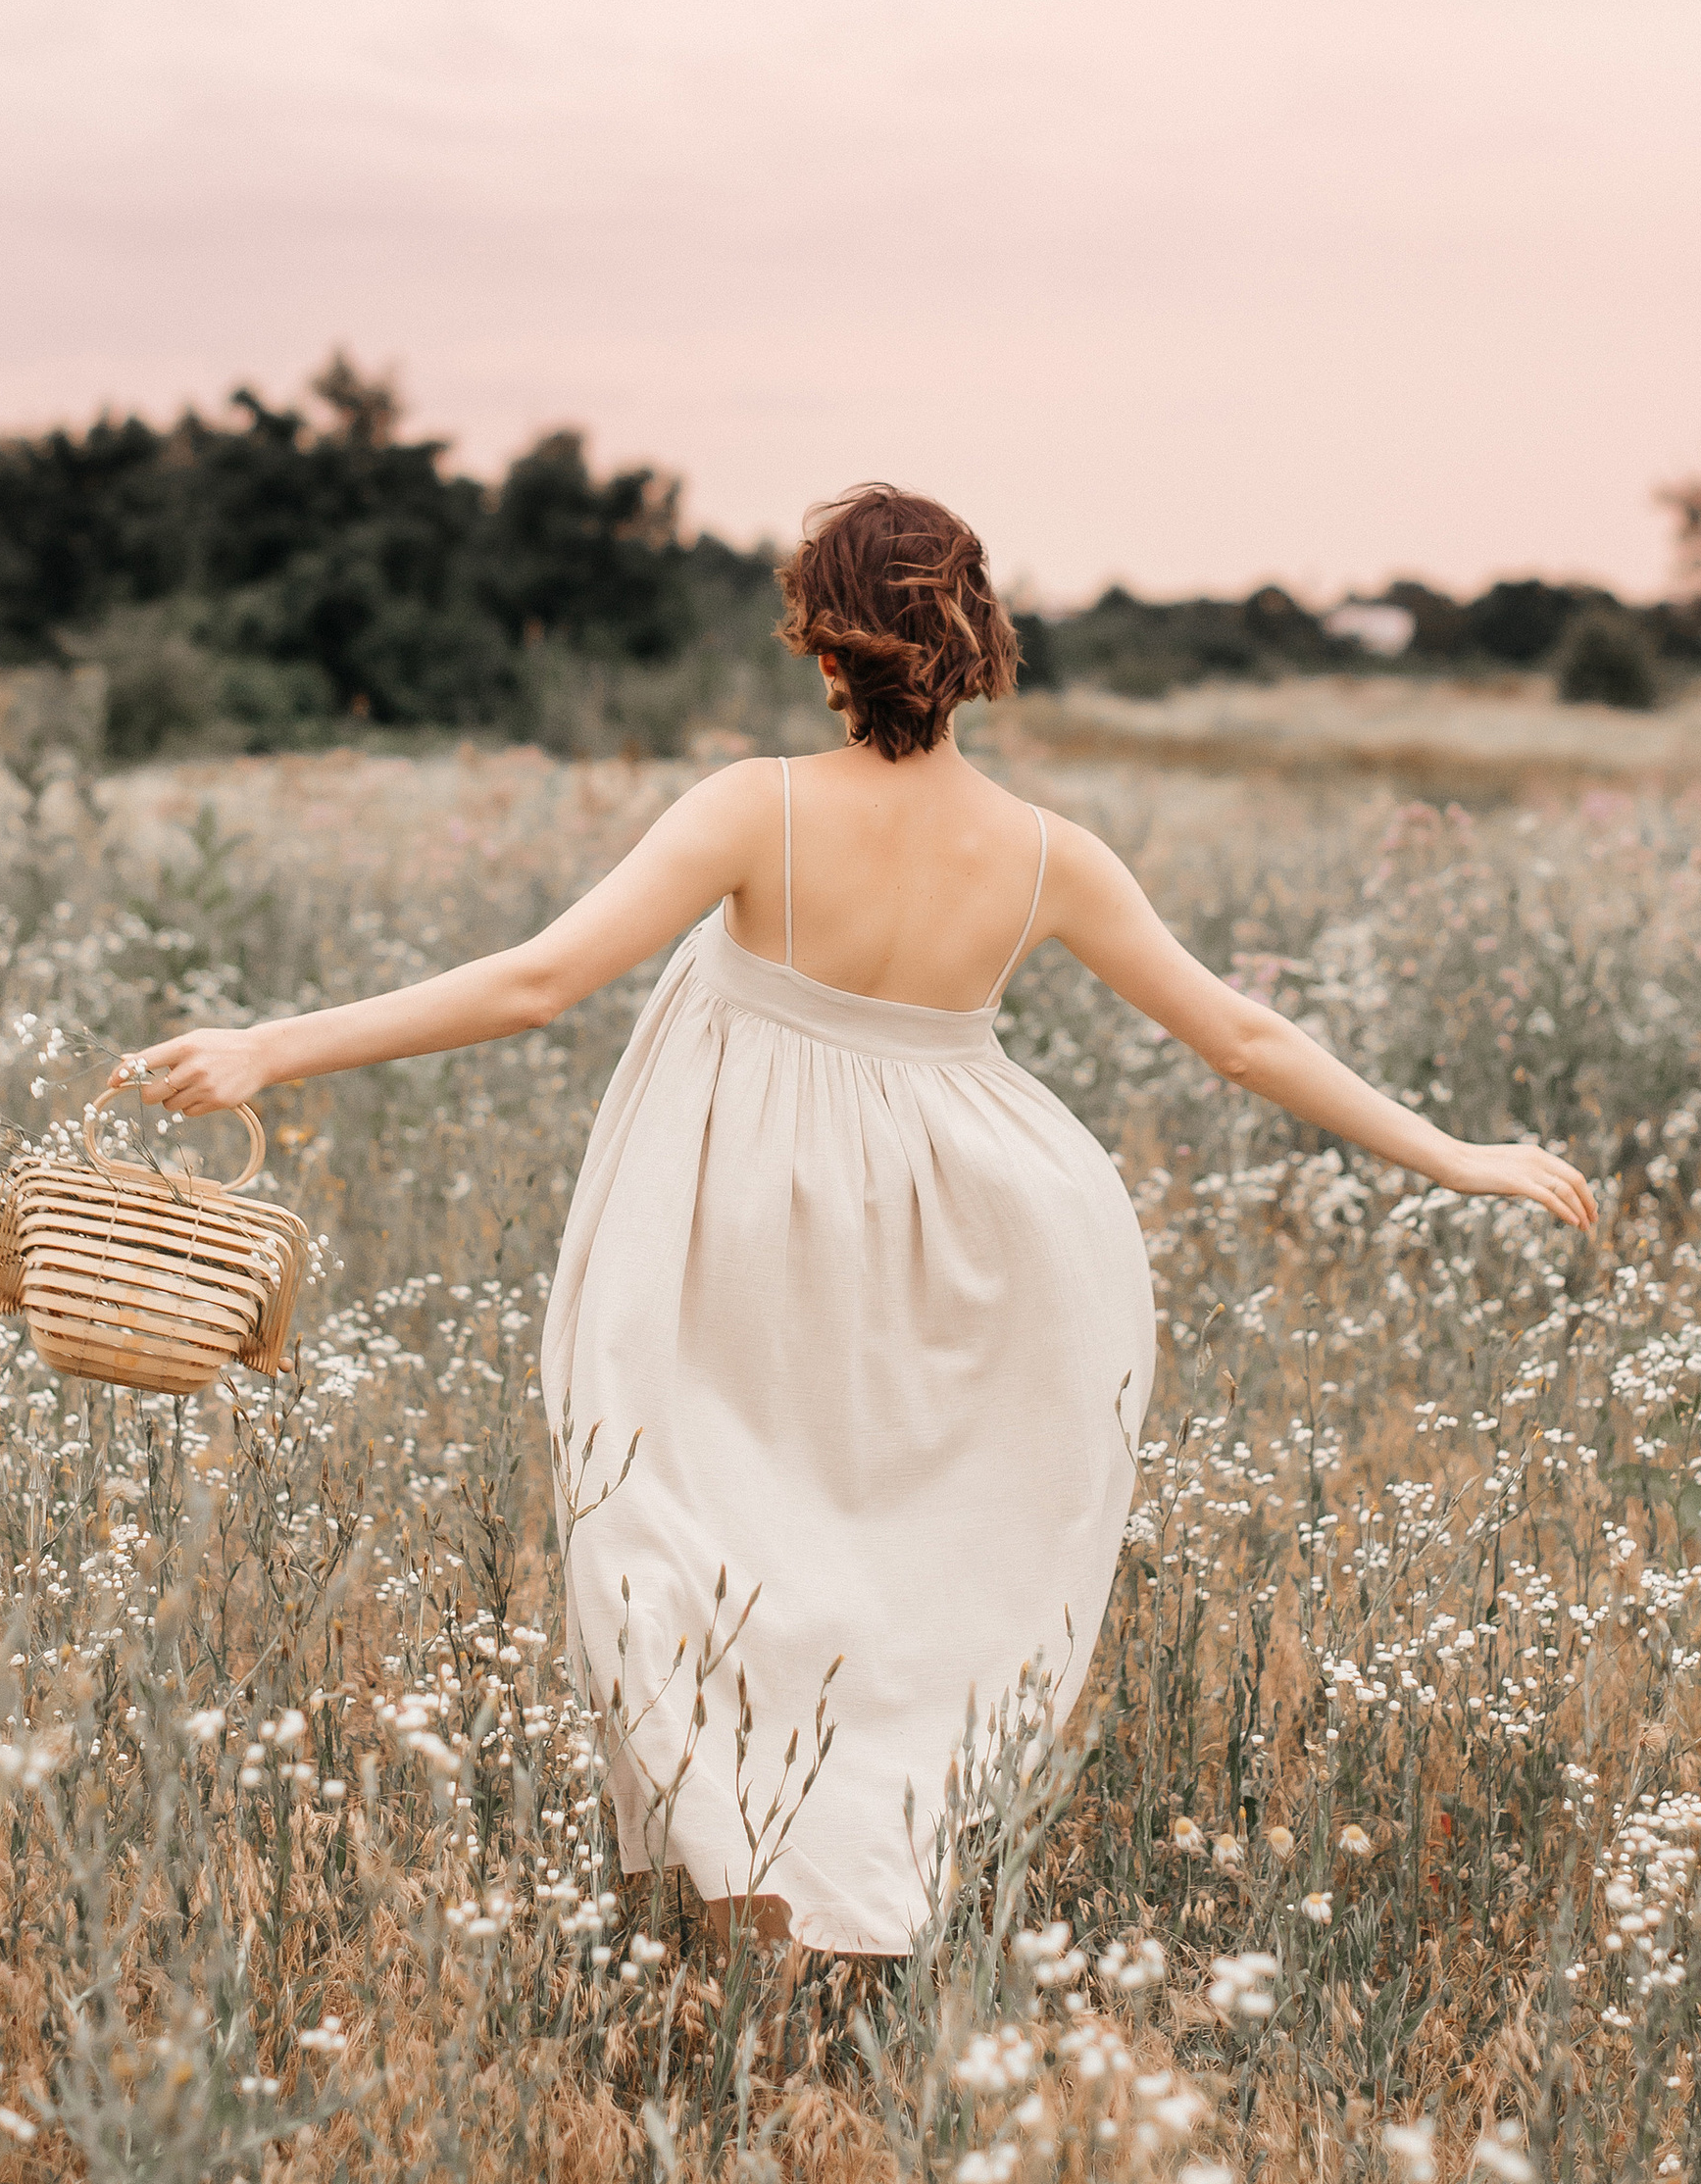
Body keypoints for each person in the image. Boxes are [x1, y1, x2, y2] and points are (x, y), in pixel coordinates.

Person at [121, 484, 1593, 1961]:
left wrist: (270, 1045)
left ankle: (743, 1888)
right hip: (966, 1229)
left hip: (736, 1225)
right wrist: (1450, 1152)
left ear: (822, 643)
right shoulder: (1043, 854)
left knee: (685, 1536)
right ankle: (844, 1880)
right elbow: (1243, 1038)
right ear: (976, 640)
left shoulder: (753, 806)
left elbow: (534, 986)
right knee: (900, 1567)